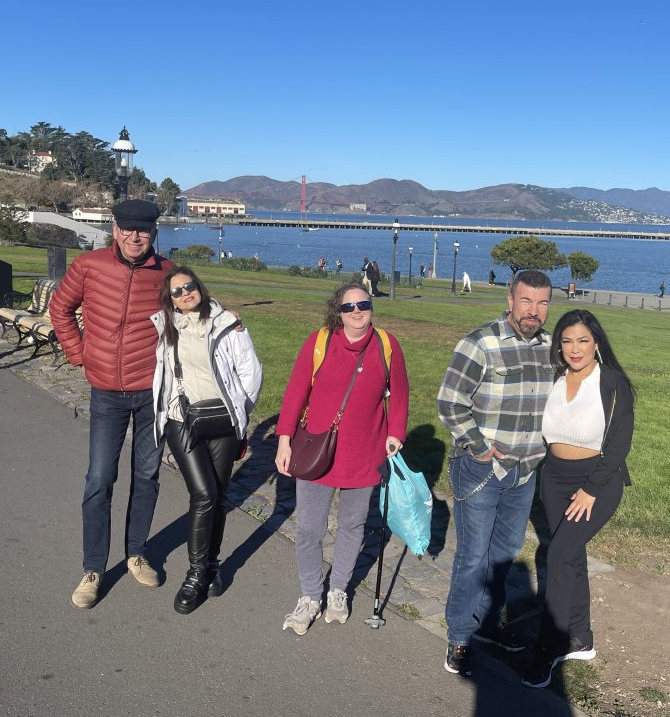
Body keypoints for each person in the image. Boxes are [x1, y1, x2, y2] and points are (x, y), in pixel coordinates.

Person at [50, 200, 176, 610]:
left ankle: (137, 553)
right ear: (115, 230)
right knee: (99, 479)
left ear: (153, 233)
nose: (135, 236)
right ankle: (93, 568)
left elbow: (193, 318)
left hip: (151, 393)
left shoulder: (168, 273)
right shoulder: (90, 266)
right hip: (106, 392)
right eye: (127, 229)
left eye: (143, 230)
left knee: (147, 475)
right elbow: (61, 308)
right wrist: (79, 354)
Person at [437, 270, 555, 676]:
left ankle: (487, 624)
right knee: (473, 555)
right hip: (482, 469)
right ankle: (459, 636)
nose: (533, 311)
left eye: (541, 303)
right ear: (510, 300)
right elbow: (450, 402)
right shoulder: (481, 343)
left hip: (525, 472)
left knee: (504, 555)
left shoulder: (551, 347)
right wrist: (479, 446)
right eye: (526, 301)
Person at [275, 282, 409, 635]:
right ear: (338, 311)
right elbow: (295, 391)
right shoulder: (320, 341)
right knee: (308, 529)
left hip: (365, 453)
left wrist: (396, 432)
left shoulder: (387, 344)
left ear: (371, 306)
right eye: (348, 307)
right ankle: (309, 595)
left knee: (352, 527)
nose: (357, 311)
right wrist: (284, 440)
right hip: (318, 453)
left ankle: (337, 591)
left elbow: (400, 394)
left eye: (362, 304)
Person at [522, 309, 634, 688]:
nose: (574, 349)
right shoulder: (556, 377)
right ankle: (581, 638)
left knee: (557, 556)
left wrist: (590, 489)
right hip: (553, 479)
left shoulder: (612, 383)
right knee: (569, 555)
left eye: (583, 340)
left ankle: (547, 649)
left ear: (596, 343)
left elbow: (619, 446)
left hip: (596, 483)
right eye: (566, 341)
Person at [151, 267, 263, 614]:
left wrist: (239, 413)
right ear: (169, 299)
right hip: (180, 418)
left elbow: (251, 373)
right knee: (204, 494)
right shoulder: (167, 326)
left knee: (219, 495)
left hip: (223, 422)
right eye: (177, 291)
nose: (185, 293)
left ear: (199, 288)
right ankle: (197, 574)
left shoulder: (228, 324)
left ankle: (212, 565)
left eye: (189, 286)